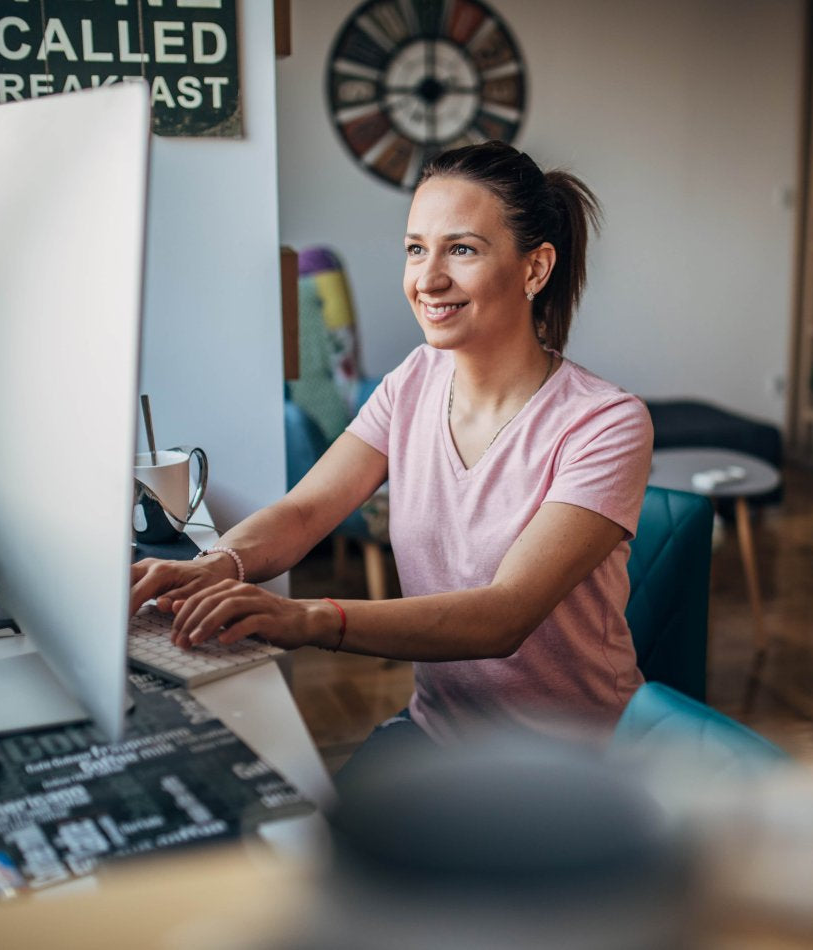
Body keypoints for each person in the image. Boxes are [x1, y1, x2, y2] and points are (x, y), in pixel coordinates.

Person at [130, 141, 653, 755]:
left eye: (461, 249)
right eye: (415, 249)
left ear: (535, 269)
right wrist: (215, 565)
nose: (428, 279)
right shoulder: (415, 379)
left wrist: (309, 619)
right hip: (438, 733)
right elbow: (305, 512)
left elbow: (504, 615)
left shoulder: (606, 424)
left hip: (570, 762)